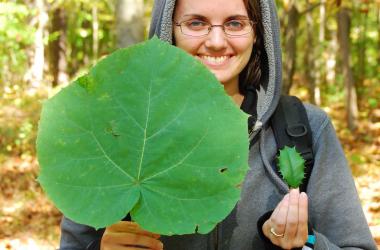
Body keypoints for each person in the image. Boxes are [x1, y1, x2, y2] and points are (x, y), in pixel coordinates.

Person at [59, 0, 377, 249]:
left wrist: (305, 242)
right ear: (167, 29)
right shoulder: (114, 130)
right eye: (196, 23)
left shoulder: (304, 128)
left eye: (235, 23)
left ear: (258, 31)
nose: (215, 41)